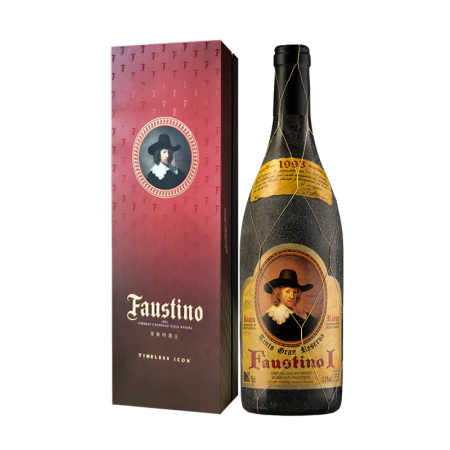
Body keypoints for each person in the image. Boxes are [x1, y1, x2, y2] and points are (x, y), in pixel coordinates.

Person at [262, 269, 317, 342]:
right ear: (278, 294)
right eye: (287, 291)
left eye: (295, 292)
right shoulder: (272, 317)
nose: (292, 296)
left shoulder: (302, 314)